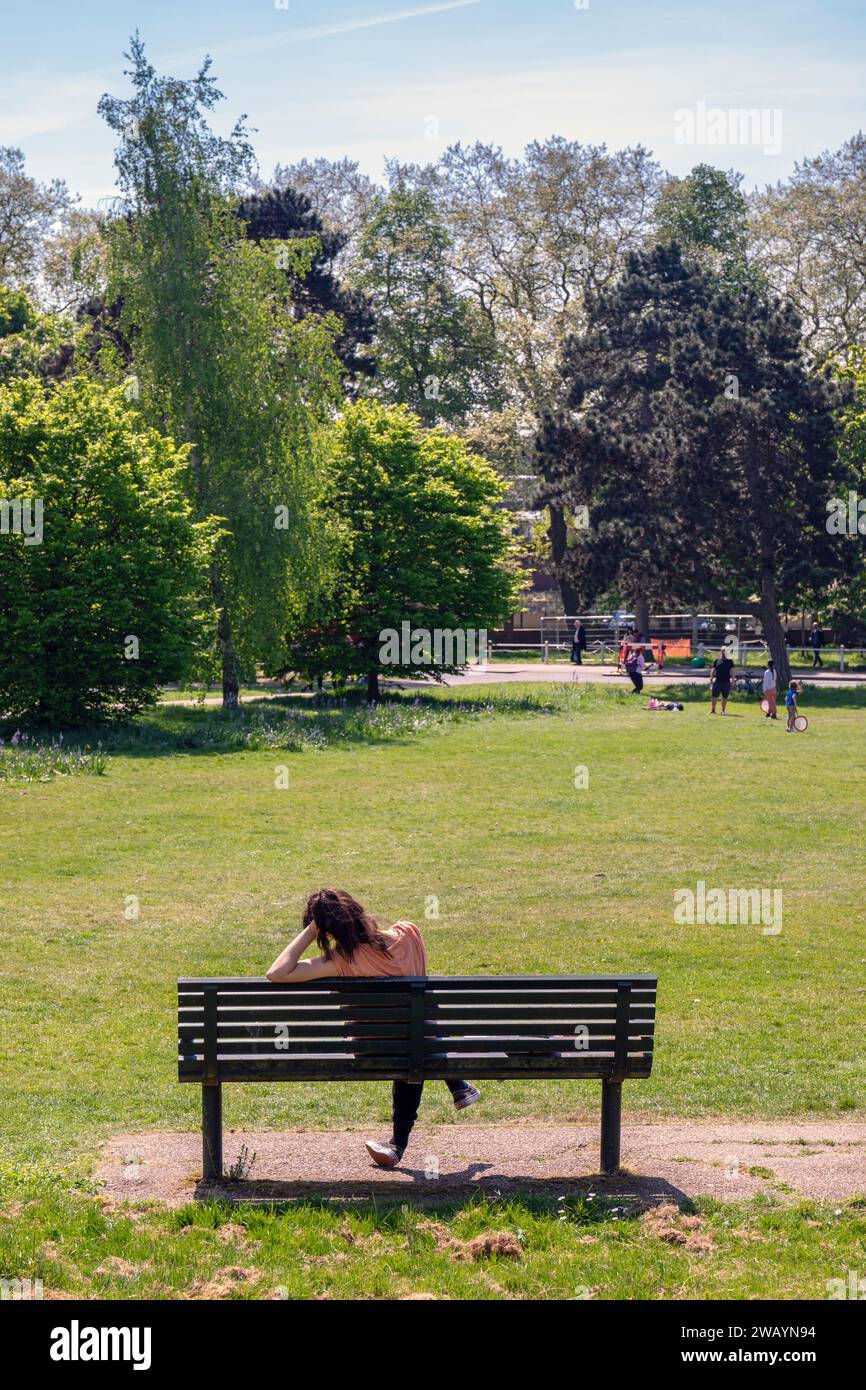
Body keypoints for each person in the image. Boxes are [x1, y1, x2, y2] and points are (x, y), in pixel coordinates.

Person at [266, 889, 480, 1169]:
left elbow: (277, 973)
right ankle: (456, 1086)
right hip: (424, 1045)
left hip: (373, 1050)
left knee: (406, 1044)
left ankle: (398, 1145)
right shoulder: (410, 934)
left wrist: (311, 931)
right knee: (416, 1036)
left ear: (329, 931)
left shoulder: (340, 960)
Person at [710, 647, 735, 714]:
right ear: (720, 651)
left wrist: (733, 680)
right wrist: (711, 678)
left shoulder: (730, 661)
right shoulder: (717, 660)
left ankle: (723, 710)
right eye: (723, 651)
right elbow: (713, 670)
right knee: (714, 696)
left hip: (726, 682)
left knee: (724, 697)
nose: (724, 652)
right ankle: (713, 710)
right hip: (717, 681)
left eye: (725, 651)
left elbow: (732, 671)